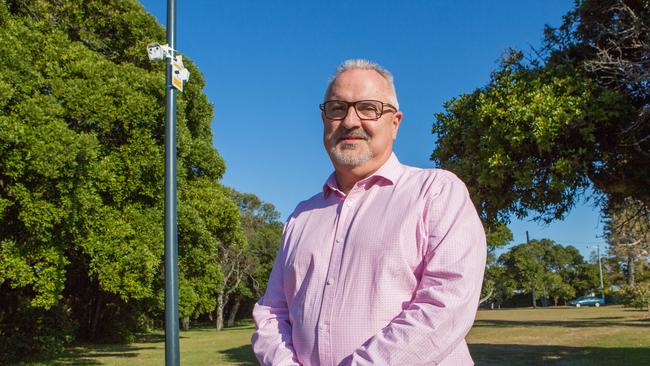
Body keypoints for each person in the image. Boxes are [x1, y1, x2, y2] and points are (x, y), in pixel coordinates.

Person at [251, 59, 486, 365]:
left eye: (368, 108)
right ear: (324, 119)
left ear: (395, 122)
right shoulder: (300, 217)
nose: (350, 121)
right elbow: (272, 312)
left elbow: (446, 306)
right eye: (337, 108)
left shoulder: (437, 192)